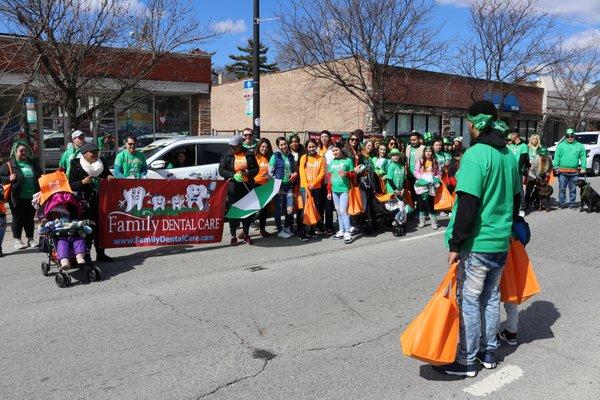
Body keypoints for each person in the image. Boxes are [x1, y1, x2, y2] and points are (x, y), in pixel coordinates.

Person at [435, 100, 521, 377]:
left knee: (470, 302)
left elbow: (468, 205)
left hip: (477, 244)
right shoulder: (508, 154)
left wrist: (455, 244)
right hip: (500, 242)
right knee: (490, 298)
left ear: (474, 124)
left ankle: (467, 361)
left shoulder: (475, 155)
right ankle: (489, 354)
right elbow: (517, 198)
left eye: (469, 122)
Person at [68, 142, 115, 262]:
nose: (95, 154)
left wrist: (109, 176)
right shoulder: (76, 164)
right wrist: (82, 182)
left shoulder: (101, 162)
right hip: (84, 202)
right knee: (87, 229)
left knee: (101, 228)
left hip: (101, 200)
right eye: (92, 152)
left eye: (96, 152)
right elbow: (71, 185)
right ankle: (86, 255)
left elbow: (107, 174)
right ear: (84, 154)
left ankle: (101, 254)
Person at [0, 141, 42, 250]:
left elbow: (41, 176)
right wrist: (8, 178)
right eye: (21, 151)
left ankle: (30, 239)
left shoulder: (32, 163)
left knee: (29, 219)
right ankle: (17, 240)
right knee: (17, 219)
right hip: (17, 197)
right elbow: (1, 177)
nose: (24, 152)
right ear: (15, 152)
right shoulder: (9, 165)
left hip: (32, 197)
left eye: (25, 150)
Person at [219, 135, 259, 245]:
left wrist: (248, 173)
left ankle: (246, 234)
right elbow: (221, 170)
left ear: (240, 145)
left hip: (246, 187)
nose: (232, 148)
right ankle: (233, 236)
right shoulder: (227, 155)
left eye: (235, 146)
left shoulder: (249, 154)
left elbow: (256, 169)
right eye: (231, 146)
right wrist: (233, 175)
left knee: (246, 212)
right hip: (233, 188)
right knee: (234, 212)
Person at [269, 136, 298, 239]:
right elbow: (270, 173)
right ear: (278, 146)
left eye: (285, 144)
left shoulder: (290, 156)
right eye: (281, 145)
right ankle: (280, 231)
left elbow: (294, 169)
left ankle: (286, 227)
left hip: (289, 186)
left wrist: (294, 173)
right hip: (279, 187)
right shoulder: (275, 156)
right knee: (279, 209)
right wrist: (276, 185)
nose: (284, 146)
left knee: (290, 209)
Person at [327, 142, 355, 244]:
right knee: (338, 211)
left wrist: (346, 174)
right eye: (333, 151)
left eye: (336, 150)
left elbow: (353, 175)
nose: (334, 152)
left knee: (343, 211)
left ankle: (347, 232)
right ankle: (341, 230)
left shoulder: (348, 161)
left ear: (341, 150)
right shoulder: (331, 163)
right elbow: (330, 178)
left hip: (344, 190)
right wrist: (329, 191)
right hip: (335, 190)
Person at [298, 139, 326, 241]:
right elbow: (301, 172)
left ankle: (312, 230)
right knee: (305, 210)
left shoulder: (321, 159)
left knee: (315, 209)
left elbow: (322, 173)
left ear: (316, 147)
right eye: (309, 147)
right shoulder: (303, 158)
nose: (311, 149)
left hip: (316, 188)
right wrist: (306, 186)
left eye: (313, 146)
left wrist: (313, 184)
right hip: (304, 188)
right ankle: (302, 232)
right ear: (306, 148)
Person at [553, 128, 586, 209]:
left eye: (571, 136)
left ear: (574, 136)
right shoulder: (561, 146)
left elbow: (583, 157)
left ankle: (572, 204)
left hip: (574, 172)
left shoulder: (579, 146)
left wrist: (583, 167)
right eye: (568, 136)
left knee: (573, 189)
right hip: (562, 171)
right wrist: (555, 166)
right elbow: (557, 156)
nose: (570, 138)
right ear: (565, 137)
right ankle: (561, 203)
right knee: (562, 189)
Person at [413, 145, 441, 229]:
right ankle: (422, 222)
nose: (428, 153)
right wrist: (421, 179)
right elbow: (415, 172)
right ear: (424, 152)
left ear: (432, 152)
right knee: (421, 203)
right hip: (421, 185)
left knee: (430, 203)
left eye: (429, 151)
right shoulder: (420, 161)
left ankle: (434, 222)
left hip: (431, 185)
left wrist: (436, 179)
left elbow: (439, 173)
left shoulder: (435, 162)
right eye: (426, 151)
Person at [253, 138, 274, 237]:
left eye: (266, 147)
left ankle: (262, 229)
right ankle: (245, 231)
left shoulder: (270, 158)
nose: (264, 149)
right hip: (255, 185)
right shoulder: (254, 156)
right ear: (259, 147)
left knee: (263, 210)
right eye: (263, 147)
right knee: (252, 209)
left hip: (266, 186)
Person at [524, 147, 553, 211]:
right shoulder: (536, 160)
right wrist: (536, 178)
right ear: (539, 155)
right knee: (529, 190)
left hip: (542, 175)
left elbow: (550, 168)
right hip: (532, 175)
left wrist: (547, 174)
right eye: (541, 155)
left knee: (538, 190)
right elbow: (531, 171)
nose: (543, 157)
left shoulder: (549, 159)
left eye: (544, 155)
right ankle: (526, 204)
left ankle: (536, 203)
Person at [318, 130, 335, 234]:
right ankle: (319, 226)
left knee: (329, 205)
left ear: (329, 138)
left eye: (326, 136)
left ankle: (329, 225)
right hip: (318, 181)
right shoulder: (317, 149)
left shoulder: (333, 150)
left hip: (329, 180)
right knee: (319, 205)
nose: (324, 138)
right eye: (322, 136)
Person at [385, 149, 406, 225]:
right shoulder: (391, 166)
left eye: (397, 155)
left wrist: (403, 188)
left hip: (400, 190)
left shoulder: (402, 166)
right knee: (397, 205)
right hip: (392, 190)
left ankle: (397, 220)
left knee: (400, 205)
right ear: (391, 157)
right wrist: (395, 189)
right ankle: (396, 219)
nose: (395, 157)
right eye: (393, 155)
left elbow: (404, 178)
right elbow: (389, 179)